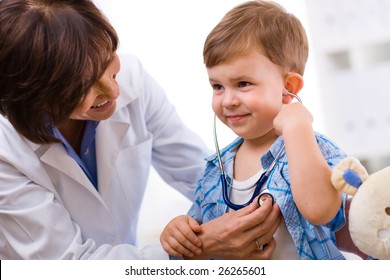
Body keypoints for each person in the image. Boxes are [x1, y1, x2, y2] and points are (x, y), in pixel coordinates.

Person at [0, 0, 282, 259]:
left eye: (108, 60)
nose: (113, 90)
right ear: (35, 97)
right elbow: (70, 265)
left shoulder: (132, 81)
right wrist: (198, 245)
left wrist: (277, 198)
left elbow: (203, 178)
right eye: (82, 86)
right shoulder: (6, 149)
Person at [160, 0, 350, 260]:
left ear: (289, 87)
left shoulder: (314, 148)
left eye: (243, 83)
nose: (227, 100)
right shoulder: (215, 169)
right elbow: (199, 239)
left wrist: (297, 128)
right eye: (217, 86)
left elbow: (320, 210)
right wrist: (179, 233)